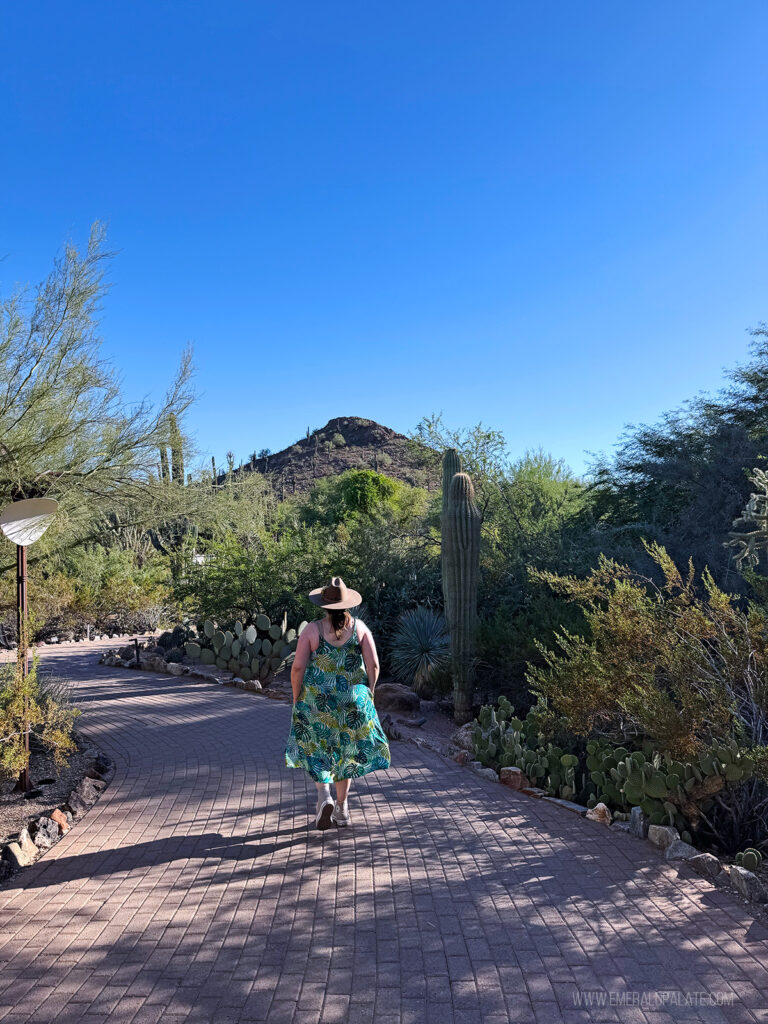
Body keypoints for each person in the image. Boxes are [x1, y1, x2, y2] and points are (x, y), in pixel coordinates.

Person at [285, 576, 391, 829]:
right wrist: (370, 693)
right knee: (346, 753)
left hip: (317, 701)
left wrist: (296, 695)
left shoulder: (311, 630)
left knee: (316, 748)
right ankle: (342, 810)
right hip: (352, 701)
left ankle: (324, 796)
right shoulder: (361, 628)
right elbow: (373, 664)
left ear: (323, 605)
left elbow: (298, 667)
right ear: (348, 604)